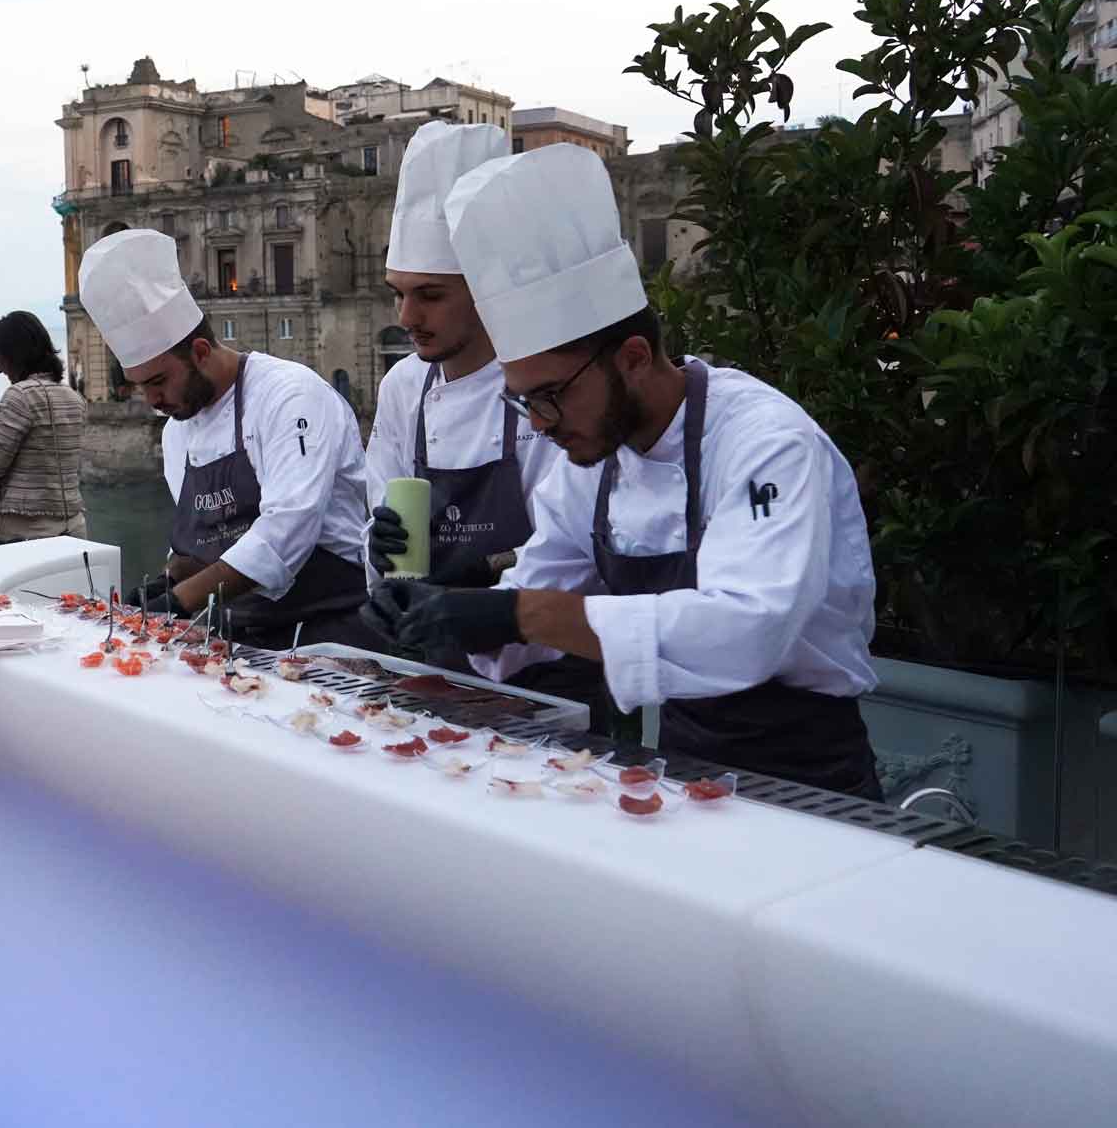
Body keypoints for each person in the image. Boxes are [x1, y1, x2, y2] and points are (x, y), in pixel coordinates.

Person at [362, 146, 883, 797]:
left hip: (812, 779)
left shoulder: (766, 444)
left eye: (550, 394)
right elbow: (533, 591)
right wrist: (441, 605)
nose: (540, 422)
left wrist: (515, 614)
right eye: (523, 400)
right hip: (683, 770)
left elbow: (748, 630)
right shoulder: (594, 463)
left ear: (635, 357)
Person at [363, 122, 601, 714]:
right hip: (425, 667)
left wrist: (481, 599)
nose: (407, 315)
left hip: (547, 682)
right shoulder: (403, 388)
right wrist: (386, 567)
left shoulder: (549, 390)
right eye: (398, 292)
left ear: (486, 288)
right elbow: (391, 528)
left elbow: (573, 549)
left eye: (430, 295)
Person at [78, 229, 372, 650]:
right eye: (141, 386)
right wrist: (164, 583)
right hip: (238, 636)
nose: (153, 400)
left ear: (200, 351)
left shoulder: (290, 397)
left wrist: (180, 603)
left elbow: (285, 531)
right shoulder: (177, 430)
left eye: (159, 381)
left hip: (328, 633)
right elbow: (204, 546)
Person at [0, 311, 87, 543]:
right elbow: (44, 455)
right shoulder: (73, 397)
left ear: (14, 355)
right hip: (72, 529)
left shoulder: (19, 395)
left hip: (25, 535)